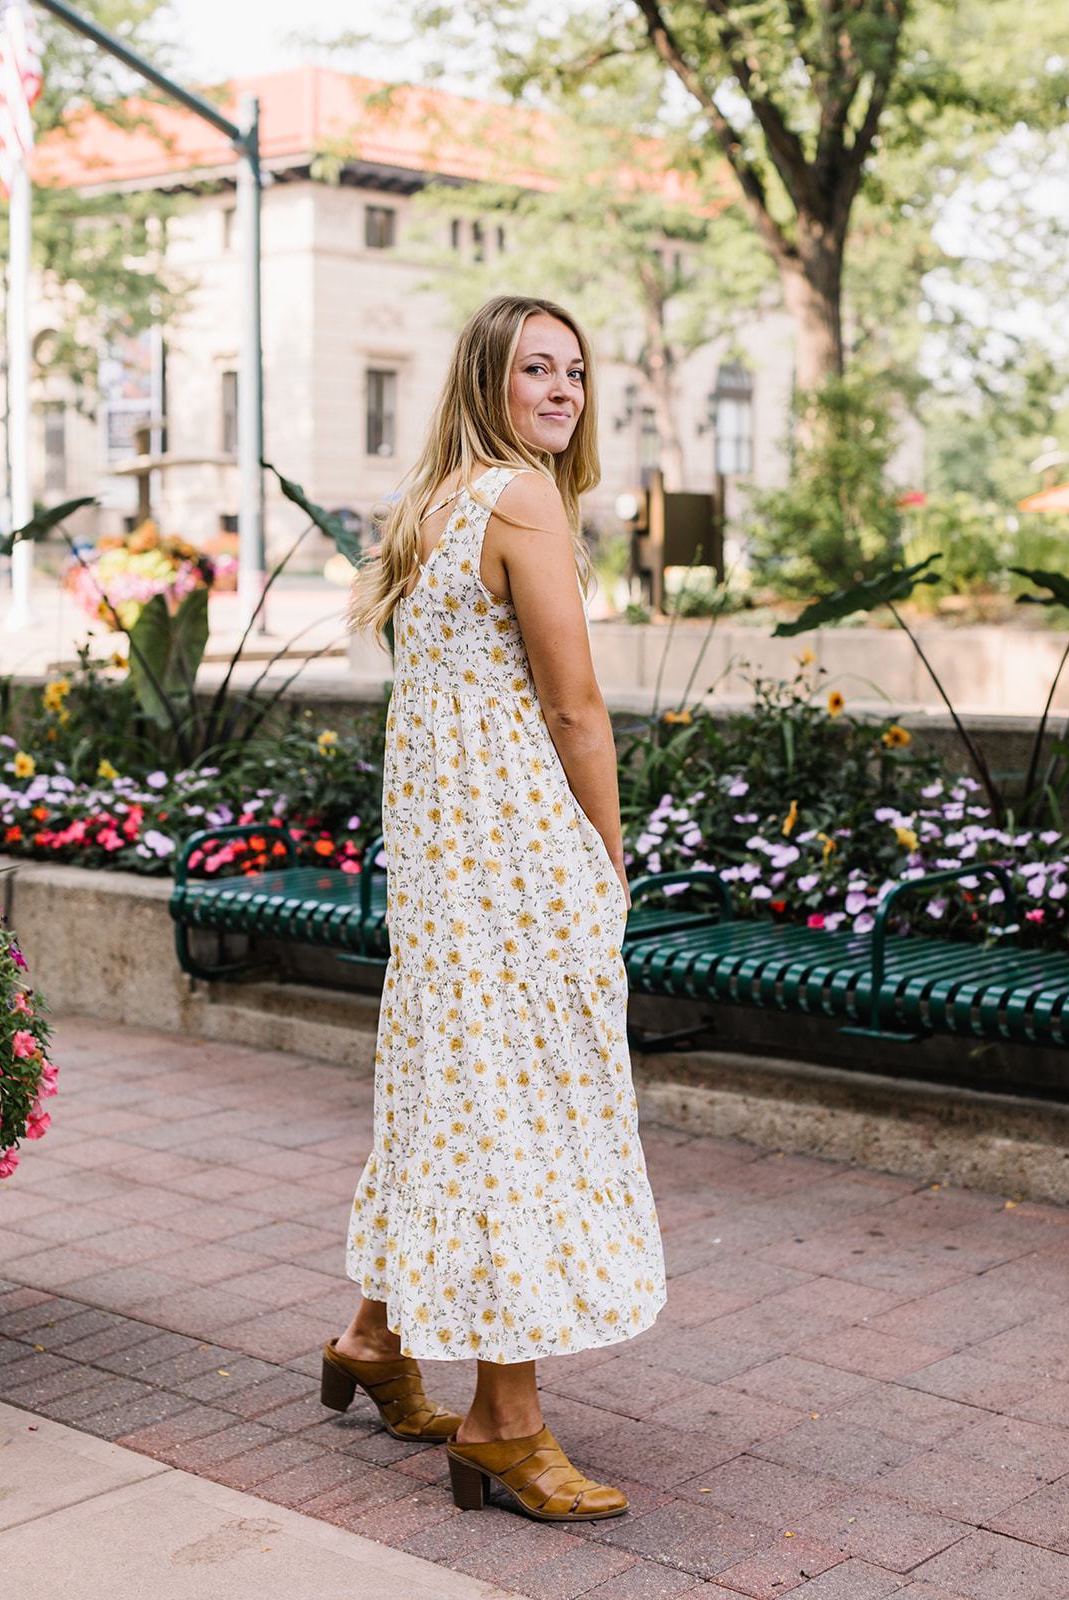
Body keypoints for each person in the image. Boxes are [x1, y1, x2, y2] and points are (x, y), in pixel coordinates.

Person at [325, 294, 666, 1522]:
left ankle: (374, 1339)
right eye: (537, 369)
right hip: (513, 866)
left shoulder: (428, 507)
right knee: (513, 1114)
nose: (563, 391)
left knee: (451, 1095)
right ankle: (506, 1425)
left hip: (442, 865)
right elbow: (576, 709)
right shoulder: (523, 499)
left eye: (576, 369)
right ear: (489, 379)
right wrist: (609, 863)